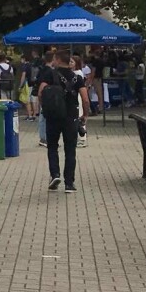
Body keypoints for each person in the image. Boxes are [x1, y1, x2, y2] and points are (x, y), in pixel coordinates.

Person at [36, 49, 82, 193]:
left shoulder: (50, 74)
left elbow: (40, 92)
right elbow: (85, 98)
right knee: (70, 150)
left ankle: (55, 174)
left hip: (53, 116)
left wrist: (45, 108)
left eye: (54, 59)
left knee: (52, 146)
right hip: (71, 117)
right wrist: (85, 115)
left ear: (58, 60)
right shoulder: (77, 78)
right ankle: (69, 184)